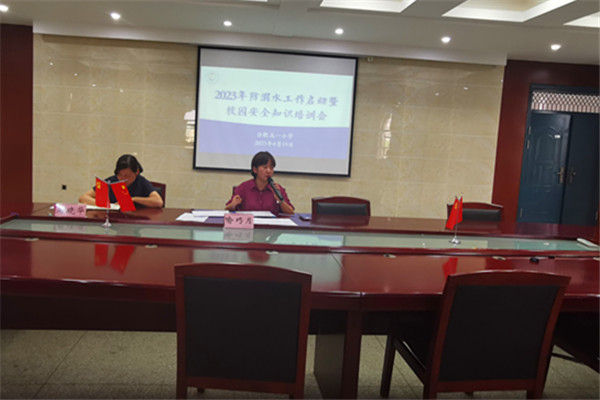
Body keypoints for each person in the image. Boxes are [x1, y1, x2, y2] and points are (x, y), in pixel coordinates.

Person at [79, 154, 164, 208]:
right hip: (114, 222)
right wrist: (108, 205)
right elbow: (83, 198)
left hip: (135, 222)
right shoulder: (111, 181)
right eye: (120, 175)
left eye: (127, 176)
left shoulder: (141, 182)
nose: (123, 179)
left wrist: (133, 199)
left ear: (137, 172)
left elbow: (158, 202)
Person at [225, 151, 294, 215]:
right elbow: (226, 209)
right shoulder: (243, 188)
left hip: (270, 224)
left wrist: (280, 201)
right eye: (265, 167)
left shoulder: (277, 189)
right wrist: (233, 205)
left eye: (271, 168)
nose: (269, 171)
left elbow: (291, 213)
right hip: (250, 223)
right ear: (255, 169)